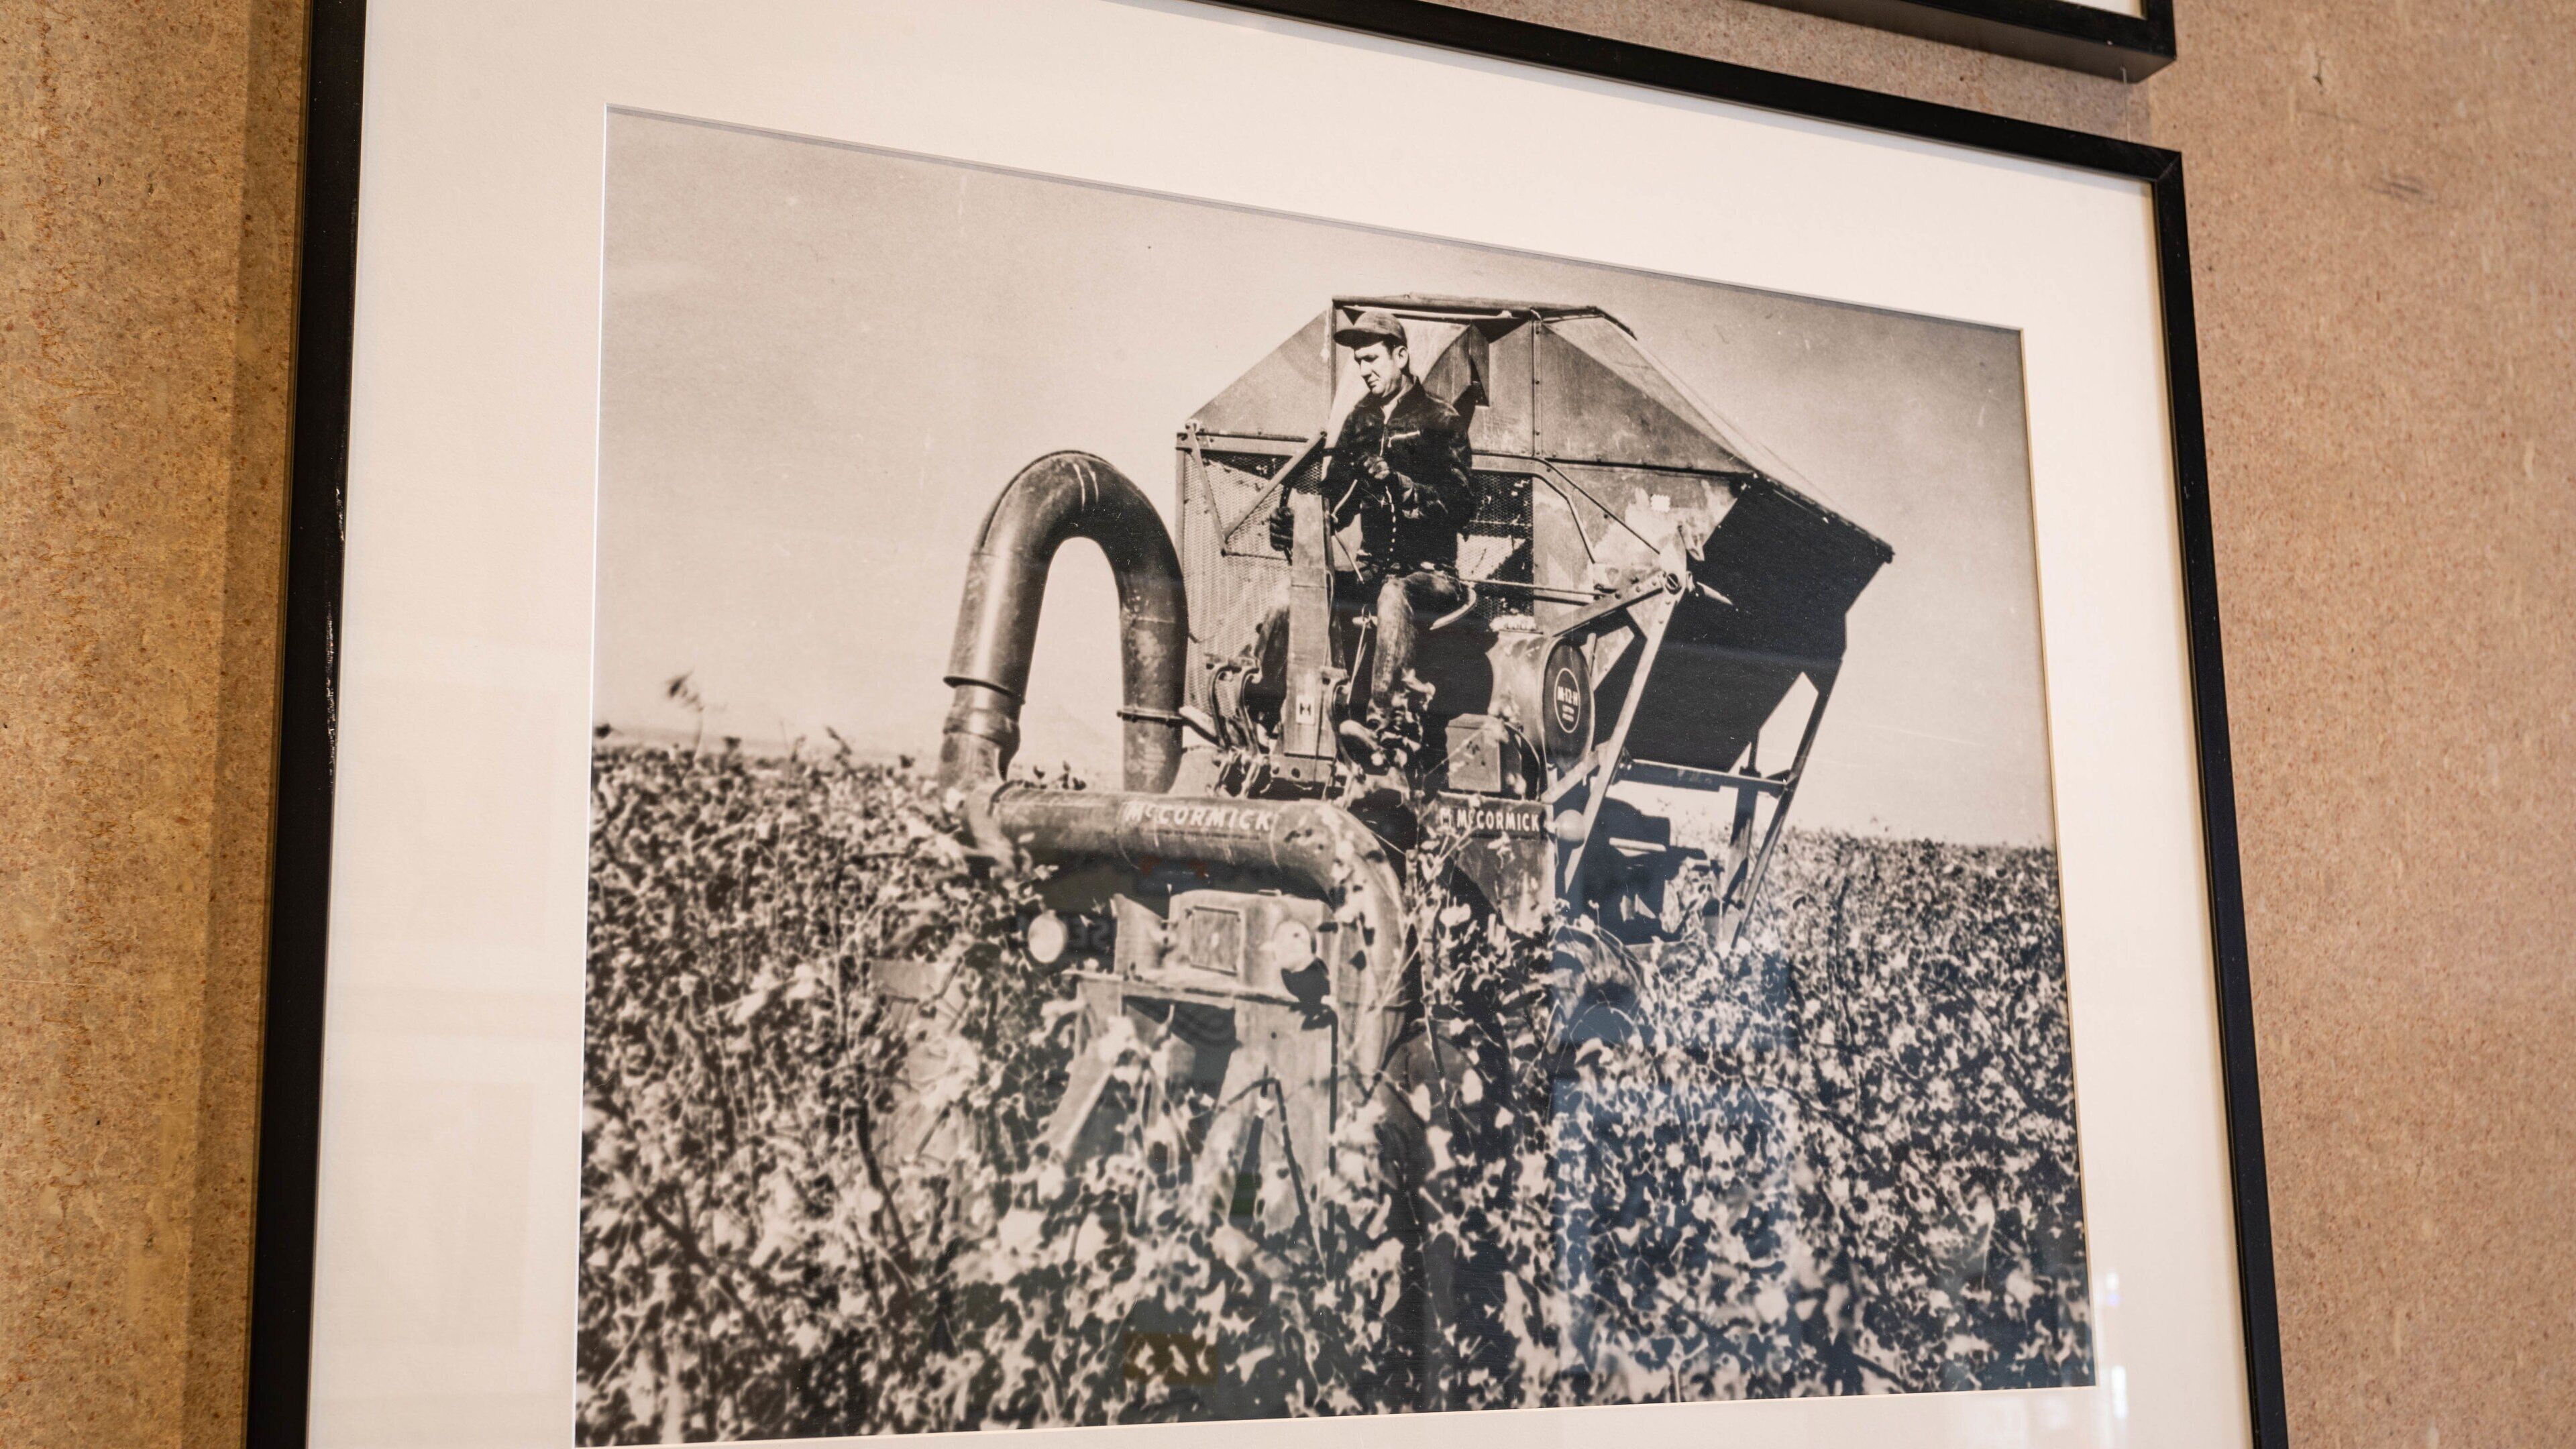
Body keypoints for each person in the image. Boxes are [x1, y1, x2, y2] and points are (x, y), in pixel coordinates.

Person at [1267, 309, 1476, 754]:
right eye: (1358, 362)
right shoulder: (1360, 421)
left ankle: (1388, 726)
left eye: (1372, 360)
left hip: (1431, 576)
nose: (1364, 370)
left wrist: (1400, 486)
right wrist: (1299, 525)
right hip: (1372, 575)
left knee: (1393, 594)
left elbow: (1463, 504)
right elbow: (1333, 499)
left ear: (1400, 356)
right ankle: (1264, 709)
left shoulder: (1441, 419)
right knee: (1291, 596)